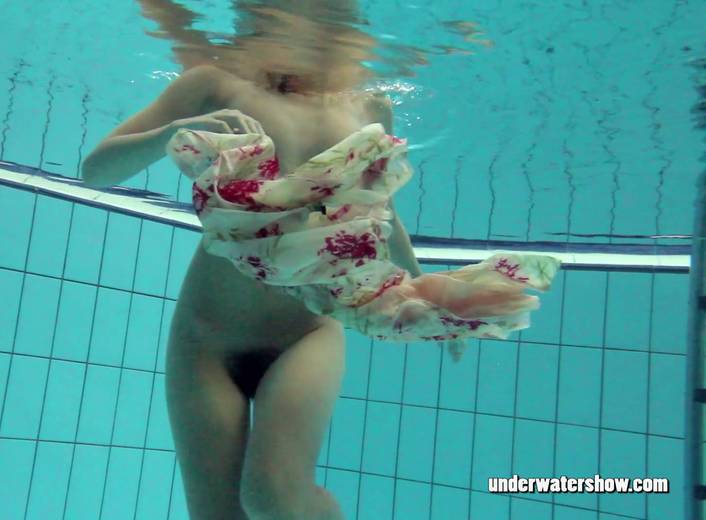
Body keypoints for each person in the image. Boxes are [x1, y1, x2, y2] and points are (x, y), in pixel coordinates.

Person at [79, 2, 557, 518]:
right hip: (206, 338)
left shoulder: (368, 108)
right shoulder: (214, 84)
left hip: (305, 334)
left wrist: (430, 299)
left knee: (273, 498)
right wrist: (170, 134)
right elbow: (95, 171)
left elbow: (381, 214)